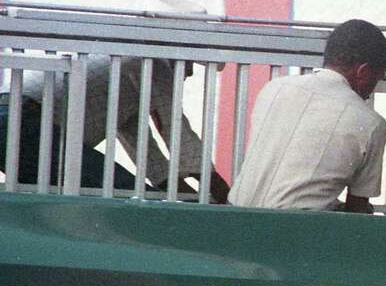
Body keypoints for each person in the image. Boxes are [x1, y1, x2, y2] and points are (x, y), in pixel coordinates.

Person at [0, 54, 230, 201]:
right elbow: (175, 127)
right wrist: (227, 199)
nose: (189, 72)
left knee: (127, 195)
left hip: (15, 121)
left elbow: (146, 153)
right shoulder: (151, 61)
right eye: (190, 63)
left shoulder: (125, 69)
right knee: (130, 197)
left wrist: (196, 201)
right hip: (21, 120)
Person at [229, 19, 386, 213]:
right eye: (378, 78)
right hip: (299, 231)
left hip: (236, 218)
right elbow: (358, 207)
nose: (373, 89)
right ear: (363, 71)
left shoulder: (274, 88)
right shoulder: (371, 123)